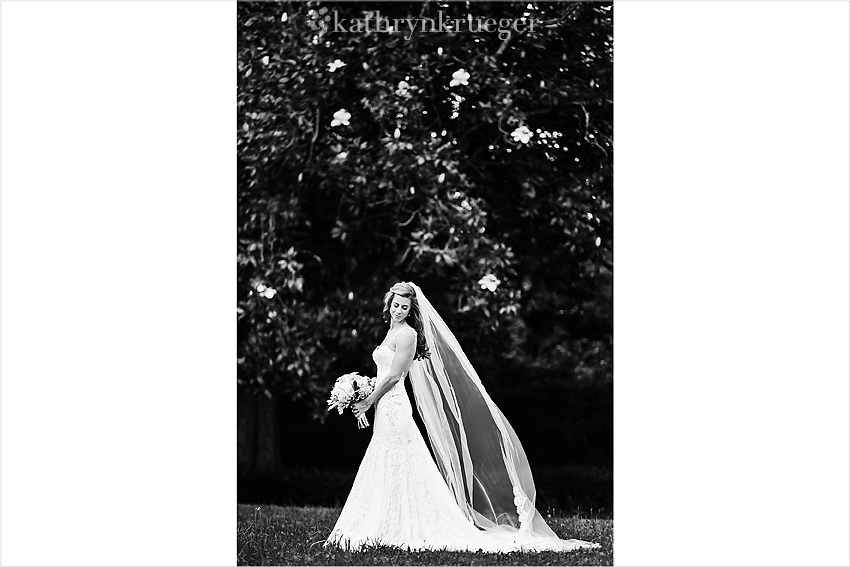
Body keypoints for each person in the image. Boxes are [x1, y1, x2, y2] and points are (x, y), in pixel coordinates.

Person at [324, 281, 601, 553]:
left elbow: (396, 376)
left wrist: (371, 399)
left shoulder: (407, 335)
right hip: (385, 406)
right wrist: (363, 394)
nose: (399, 310)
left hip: (395, 407)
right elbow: (384, 373)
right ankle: (385, 521)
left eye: (405, 307)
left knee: (397, 458)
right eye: (395, 305)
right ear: (389, 303)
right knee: (385, 459)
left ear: (411, 310)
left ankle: (401, 523)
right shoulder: (390, 331)